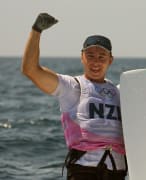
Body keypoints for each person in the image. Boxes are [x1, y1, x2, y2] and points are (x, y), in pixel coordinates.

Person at [21, 13, 127, 180]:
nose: (95, 62)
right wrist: (36, 31)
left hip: (117, 172)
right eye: (90, 56)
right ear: (82, 57)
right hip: (84, 172)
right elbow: (30, 70)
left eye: (101, 57)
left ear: (110, 60)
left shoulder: (120, 92)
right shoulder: (71, 86)